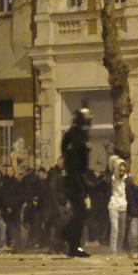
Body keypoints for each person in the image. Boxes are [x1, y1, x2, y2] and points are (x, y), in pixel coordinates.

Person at [60, 109, 93, 257]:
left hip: (76, 179)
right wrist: (79, 180)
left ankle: (73, 245)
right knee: (80, 213)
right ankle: (67, 236)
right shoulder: (76, 136)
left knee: (80, 213)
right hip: (75, 180)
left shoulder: (77, 135)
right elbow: (74, 161)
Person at [107, 156, 131, 254]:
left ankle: (119, 249)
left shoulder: (128, 179)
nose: (122, 169)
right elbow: (110, 161)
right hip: (113, 205)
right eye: (120, 167)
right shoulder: (111, 178)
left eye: (124, 167)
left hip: (124, 206)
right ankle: (113, 250)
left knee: (122, 230)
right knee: (115, 228)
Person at [0, 166, 23, 250]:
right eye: (8, 170)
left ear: (14, 171)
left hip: (15, 208)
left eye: (11, 170)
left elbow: (19, 196)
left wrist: (14, 206)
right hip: (6, 208)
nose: (10, 172)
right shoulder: (4, 183)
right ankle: (9, 242)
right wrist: (7, 206)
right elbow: (3, 196)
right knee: (8, 225)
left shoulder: (17, 182)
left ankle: (16, 242)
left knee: (16, 225)